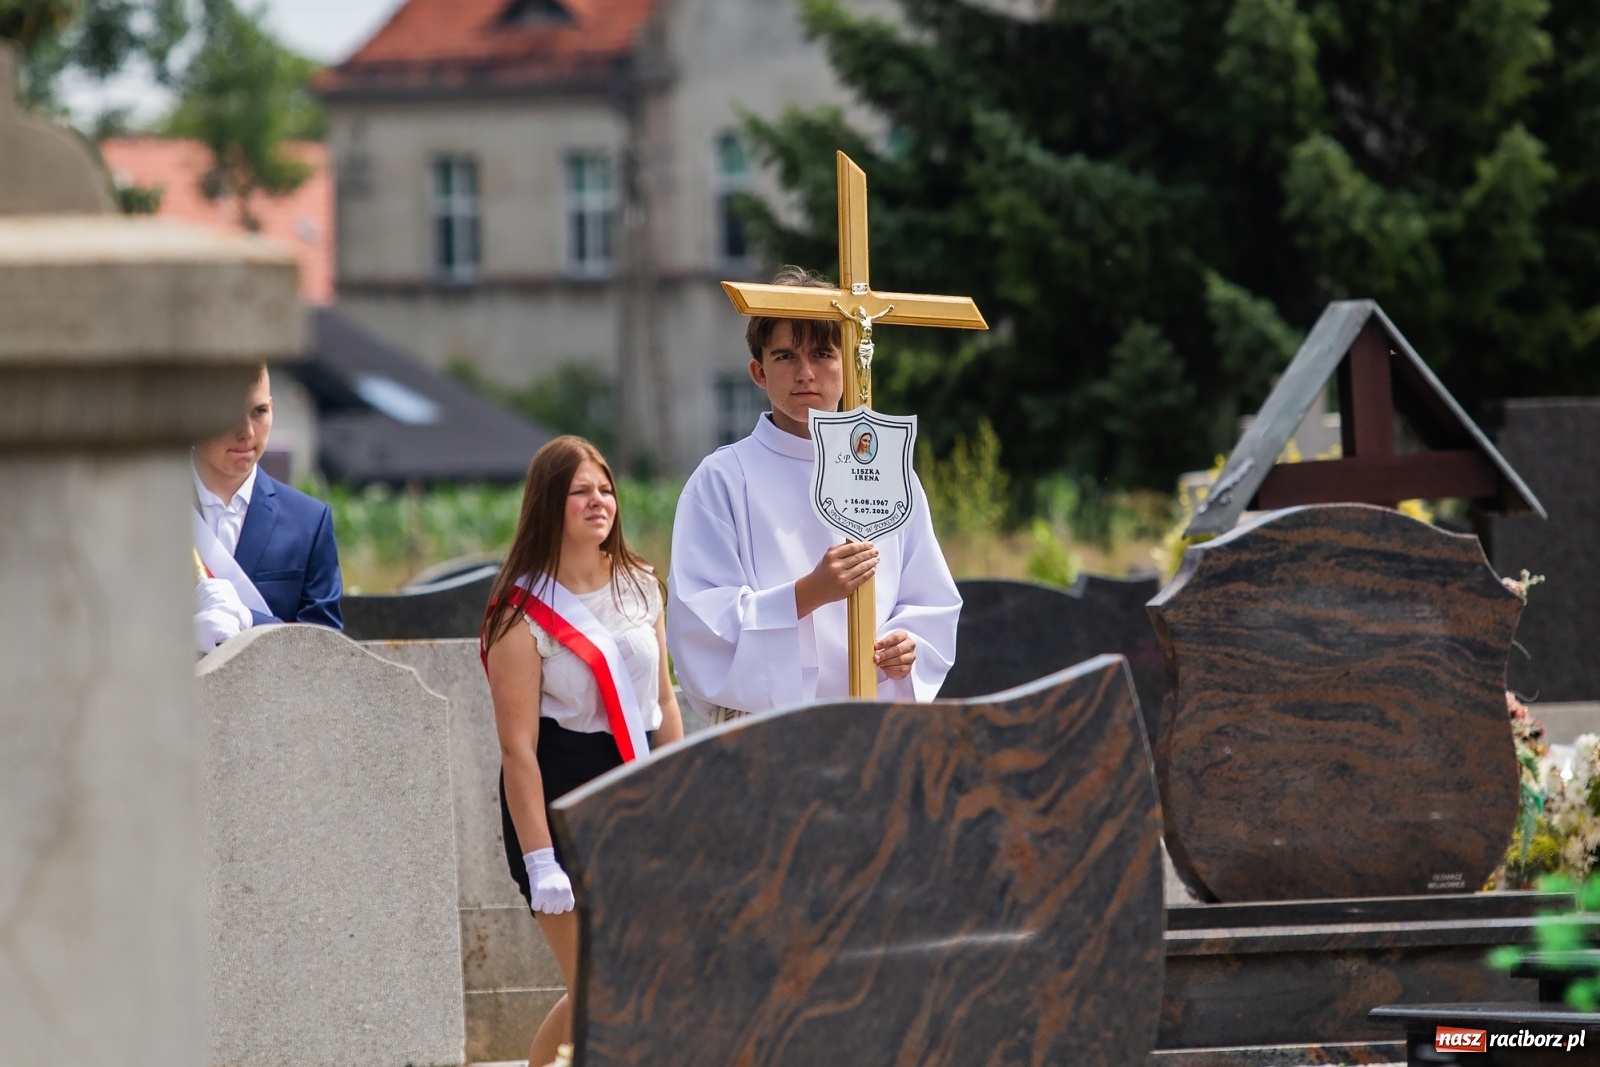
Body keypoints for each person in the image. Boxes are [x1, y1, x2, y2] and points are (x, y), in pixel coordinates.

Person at [667, 266, 961, 721]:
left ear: (851, 363)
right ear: (758, 371)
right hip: (771, 731)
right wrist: (808, 593)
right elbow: (701, 626)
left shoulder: (889, 472)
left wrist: (908, 646)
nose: (806, 373)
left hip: (873, 723)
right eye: (785, 357)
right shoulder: (723, 479)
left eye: (824, 354)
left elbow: (928, 601)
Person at [481, 436, 684, 1067]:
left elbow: (665, 704)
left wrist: (680, 795)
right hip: (561, 803)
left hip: (636, 788)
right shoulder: (520, 614)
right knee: (601, 987)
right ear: (549, 504)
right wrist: (542, 861)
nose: (599, 502)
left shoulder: (641, 584)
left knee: (629, 979)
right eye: (580, 492)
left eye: (606, 488)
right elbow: (518, 750)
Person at [192, 365, 342, 653]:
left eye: (259, 412)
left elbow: (328, 655)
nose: (247, 432)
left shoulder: (308, 523)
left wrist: (249, 620)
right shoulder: (148, 512)